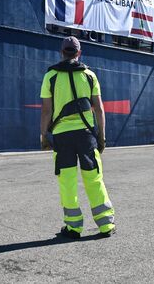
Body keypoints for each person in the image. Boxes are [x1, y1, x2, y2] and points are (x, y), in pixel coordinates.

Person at [40, 36, 115, 239]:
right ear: (79, 53)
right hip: (86, 136)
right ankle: (106, 225)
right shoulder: (90, 75)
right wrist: (102, 137)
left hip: (62, 137)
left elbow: (46, 110)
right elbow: (99, 109)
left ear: (61, 52)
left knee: (67, 181)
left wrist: (43, 135)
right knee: (94, 178)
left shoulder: (51, 76)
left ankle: (73, 228)